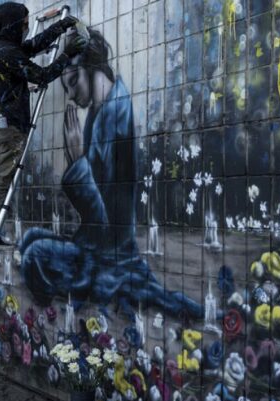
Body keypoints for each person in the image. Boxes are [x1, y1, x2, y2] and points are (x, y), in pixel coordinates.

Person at [19, 28, 206, 319]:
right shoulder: (98, 111)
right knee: (29, 239)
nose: (70, 94)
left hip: (109, 254)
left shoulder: (115, 116)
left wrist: (78, 161)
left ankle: (83, 288)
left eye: (72, 82)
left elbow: (106, 221)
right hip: (94, 242)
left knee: (33, 256)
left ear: (90, 67)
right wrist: (78, 162)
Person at [0, 2, 87, 247]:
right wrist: (67, 55)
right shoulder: (7, 53)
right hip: (11, 124)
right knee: (1, 178)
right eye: (24, 24)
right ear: (13, 24)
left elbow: (32, 47)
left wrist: (60, 26)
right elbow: (42, 76)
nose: (26, 28)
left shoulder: (0, 49)